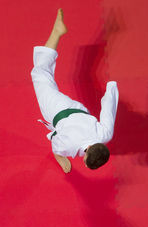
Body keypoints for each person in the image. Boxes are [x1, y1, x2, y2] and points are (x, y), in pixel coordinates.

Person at [31, 8, 119, 173]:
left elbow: (108, 110)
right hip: (56, 110)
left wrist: (111, 88)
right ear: (85, 159)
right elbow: (55, 141)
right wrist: (60, 154)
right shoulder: (69, 146)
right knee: (40, 73)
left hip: (78, 108)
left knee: (46, 78)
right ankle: (57, 32)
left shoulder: (105, 136)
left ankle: (57, 33)